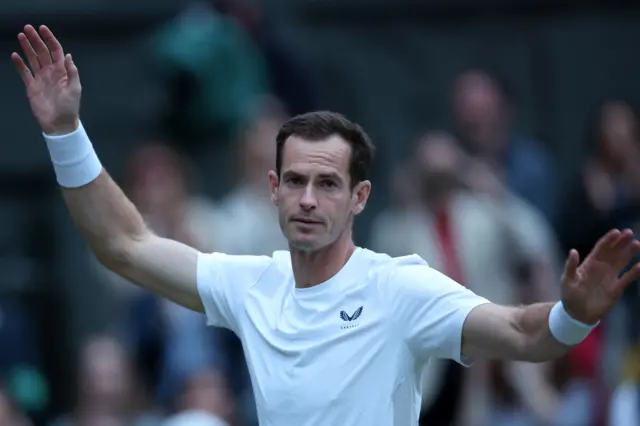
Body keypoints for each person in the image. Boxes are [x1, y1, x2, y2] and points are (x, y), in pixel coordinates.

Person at [11, 25, 640, 426]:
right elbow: (123, 244)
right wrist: (66, 132)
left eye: (328, 183)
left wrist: (573, 315)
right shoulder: (249, 284)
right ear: (274, 190)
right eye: (295, 181)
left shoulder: (402, 290)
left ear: (359, 197)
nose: (308, 199)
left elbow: (521, 331)